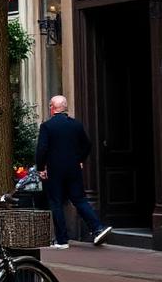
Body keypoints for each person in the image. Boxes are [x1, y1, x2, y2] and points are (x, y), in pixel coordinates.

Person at [35, 95, 112, 249]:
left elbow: (42, 149)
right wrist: (79, 159)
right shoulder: (76, 125)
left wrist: (41, 168)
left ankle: (62, 240)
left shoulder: (47, 126)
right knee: (80, 199)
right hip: (73, 169)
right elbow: (87, 144)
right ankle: (97, 228)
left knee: (56, 202)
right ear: (65, 107)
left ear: (52, 108)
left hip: (55, 170)